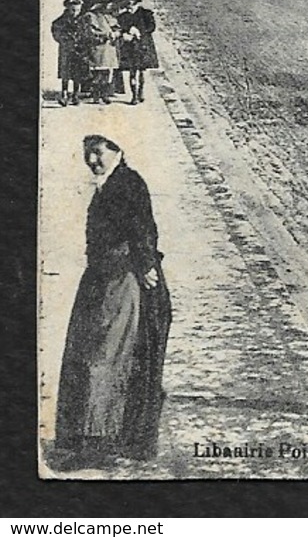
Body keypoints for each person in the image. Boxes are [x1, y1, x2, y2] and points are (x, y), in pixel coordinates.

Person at [53, 135, 172, 467]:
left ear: (118, 150)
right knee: (94, 350)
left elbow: (143, 228)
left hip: (120, 280)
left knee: (108, 354)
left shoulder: (129, 184)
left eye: (98, 152)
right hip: (103, 277)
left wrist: (146, 264)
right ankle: (95, 435)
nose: (92, 159)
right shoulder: (111, 182)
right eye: (86, 153)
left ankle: (102, 440)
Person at [116, 0, 159, 105]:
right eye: (127, 5)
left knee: (142, 71)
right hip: (129, 46)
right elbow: (119, 27)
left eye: (131, 4)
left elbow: (152, 27)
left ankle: (141, 91)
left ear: (136, 3)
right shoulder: (123, 16)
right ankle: (134, 95)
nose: (129, 7)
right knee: (132, 71)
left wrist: (139, 31)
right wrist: (126, 32)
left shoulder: (146, 14)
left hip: (143, 45)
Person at [81, 0, 123, 106]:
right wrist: (104, 35)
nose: (110, 6)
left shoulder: (110, 17)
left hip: (109, 47)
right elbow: (88, 32)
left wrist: (116, 34)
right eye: (107, 4)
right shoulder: (90, 16)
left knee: (107, 72)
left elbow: (117, 28)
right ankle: (96, 95)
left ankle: (105, 94)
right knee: (97, 73)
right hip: (97, 47)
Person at [51, 0, 86, 106]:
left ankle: (76, 95)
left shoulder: (83, 19)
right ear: (68, 8)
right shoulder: (61, 21)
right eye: (73, 10)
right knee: (65, 72)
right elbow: (56, 32)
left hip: (80, 50)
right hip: (67, 49)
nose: (75, 12)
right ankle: (64, 94)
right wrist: (65, 40)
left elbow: (87, 32)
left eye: (78, 10)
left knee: (78, 73)